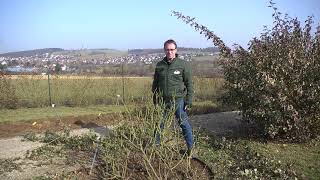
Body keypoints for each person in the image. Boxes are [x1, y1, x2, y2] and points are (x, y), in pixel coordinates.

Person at [152, 39, 194, 156]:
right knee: (160, 124)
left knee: (184, 124)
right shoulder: (160, 65)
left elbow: (189, 84)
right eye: (167, 49)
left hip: (178, 101)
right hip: (163, 101)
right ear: (164, 50)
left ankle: (191, 148)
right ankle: (156, 147)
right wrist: (155, 99)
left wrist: (189, 100)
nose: (170, 52)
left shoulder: (183, 65)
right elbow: (155, 83)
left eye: (172, 49)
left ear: (176, 50)